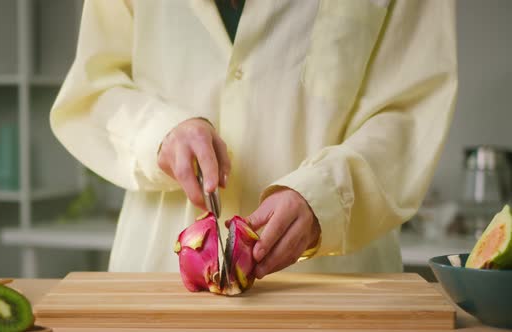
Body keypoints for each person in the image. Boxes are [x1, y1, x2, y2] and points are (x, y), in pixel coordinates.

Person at [51, 0, 457, 277]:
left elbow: (411, 111)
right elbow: (93, 89)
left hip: (335, 291)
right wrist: (158, 132)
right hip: (155, 280)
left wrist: (326, 197)